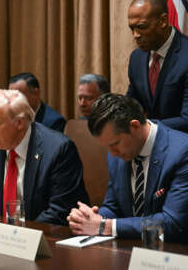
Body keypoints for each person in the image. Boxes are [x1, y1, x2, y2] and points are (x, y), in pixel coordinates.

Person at [67, 93, 188, 243]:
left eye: (114, 144)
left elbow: (172, 223)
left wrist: (106, 226)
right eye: (107, 147)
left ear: (135, 126)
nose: (112, 153)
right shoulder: (117, 155)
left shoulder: (182, 152)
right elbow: (114, 206)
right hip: (129, 251)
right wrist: (90, 219)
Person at [0, 89, 89, 224]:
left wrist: (21, 238)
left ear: (19, 122)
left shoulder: (58, 149)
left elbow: (60, 210)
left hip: (46, 236)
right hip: (2, 237)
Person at [126, 0, 188, 133]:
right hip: (151, 146)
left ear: (163, 21)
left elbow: (186, 119)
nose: (135, 35)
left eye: (141, 26)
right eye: (132, 28)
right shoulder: (137, 58)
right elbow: (133, 103)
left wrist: (145, 127)